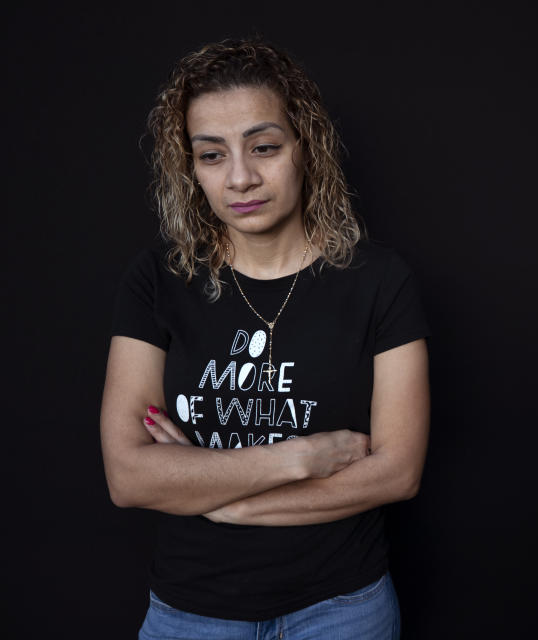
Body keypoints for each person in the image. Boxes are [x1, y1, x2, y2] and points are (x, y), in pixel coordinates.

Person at [99, 37, 430, 639]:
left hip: (342, 609)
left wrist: (222, 496)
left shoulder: (381, 281)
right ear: (190, 167)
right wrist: (296, 459)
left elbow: (397, 472)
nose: (241, 177)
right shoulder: (157, 281)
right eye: (211, 155)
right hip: (191, 613)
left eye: (265, 147)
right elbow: (128, 476)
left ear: (305, 145)